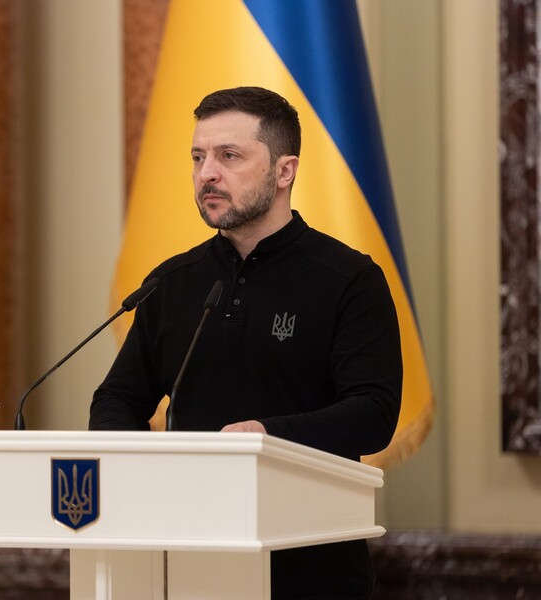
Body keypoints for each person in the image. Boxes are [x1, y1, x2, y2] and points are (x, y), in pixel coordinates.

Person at [89, 86, 402, 599]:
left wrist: (265, 436)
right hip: (183, 559)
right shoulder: (171, 282)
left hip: (311, 564)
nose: (207, 174)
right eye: (198, 157)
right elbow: (117, 400)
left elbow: (374, 413)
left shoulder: (348, 279)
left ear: (285, 171)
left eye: (229, 156)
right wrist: (139, 470)